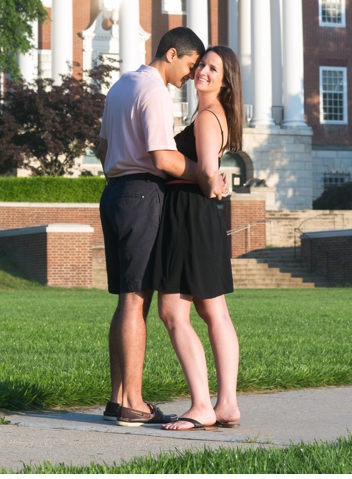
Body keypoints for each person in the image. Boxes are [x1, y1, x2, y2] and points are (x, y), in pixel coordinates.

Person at [96, 26, 226, 427]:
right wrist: (206, 175)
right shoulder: (154, 90)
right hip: (140, 195)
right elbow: (164, 157)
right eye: (190, 64)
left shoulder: (121, 85)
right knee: (137, 299)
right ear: (172, 54)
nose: (191, 73)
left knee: (124, 299)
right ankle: (134, 401)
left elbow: (101, 146)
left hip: (114, 192)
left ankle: (119, 398)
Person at [153, 46, 242, 431]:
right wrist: (213, 181)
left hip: (189, 216)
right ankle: (227, 405)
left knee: (173, 312)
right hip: (201, 219)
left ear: (225, 81)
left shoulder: (207, 116)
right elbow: (211, 172)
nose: (202, 71)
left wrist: (212, 183)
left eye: (212, 68)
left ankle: (202, 405)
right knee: (214, 312)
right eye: (202, 64)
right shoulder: (215, 115)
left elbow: (207, 172)